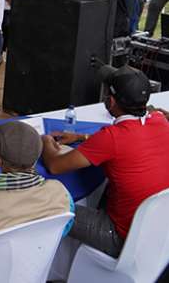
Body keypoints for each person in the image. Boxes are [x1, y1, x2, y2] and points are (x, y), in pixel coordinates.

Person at [42, 65, 169, 258]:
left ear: (111, 101)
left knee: (50, 206)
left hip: (120, 237)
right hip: (156, 233)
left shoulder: (112, 137)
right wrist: (81, 138)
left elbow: (55, 165)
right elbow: (122, 141)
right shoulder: (160, 120)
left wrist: (45, 141)